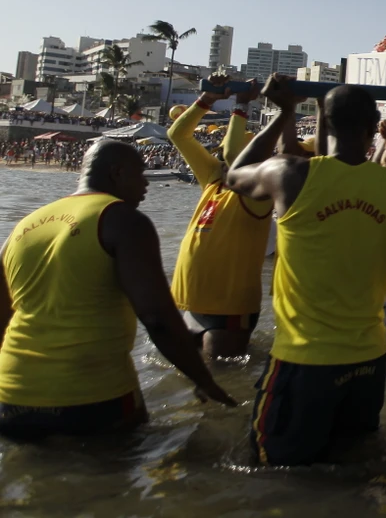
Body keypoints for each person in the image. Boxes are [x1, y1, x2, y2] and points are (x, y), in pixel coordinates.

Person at [225, 76, 386, 465]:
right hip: (369, 361)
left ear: (324, 121)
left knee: (275, 471)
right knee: (353, 467)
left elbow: (234, 174)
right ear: (373, 125)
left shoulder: (291, 174)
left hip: (304, 362)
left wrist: (285, 112)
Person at [0, 140, 234, 439]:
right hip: (91, 395)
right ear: (117, 173)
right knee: (117, 478)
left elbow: (3, 317)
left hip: (12, 395)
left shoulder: (25, 226)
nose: (146, 183)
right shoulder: (123, 221)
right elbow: (156, 317)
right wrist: (203, 379)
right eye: (141, 173)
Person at [167, 76, 274, 358]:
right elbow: (178, 135)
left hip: (228, 305)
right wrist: (208, 100)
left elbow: (234, 152)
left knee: (220, 378)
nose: (226, 160)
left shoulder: (259, 192)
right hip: (185, 298)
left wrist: (241, 106)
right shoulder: (213, 178)